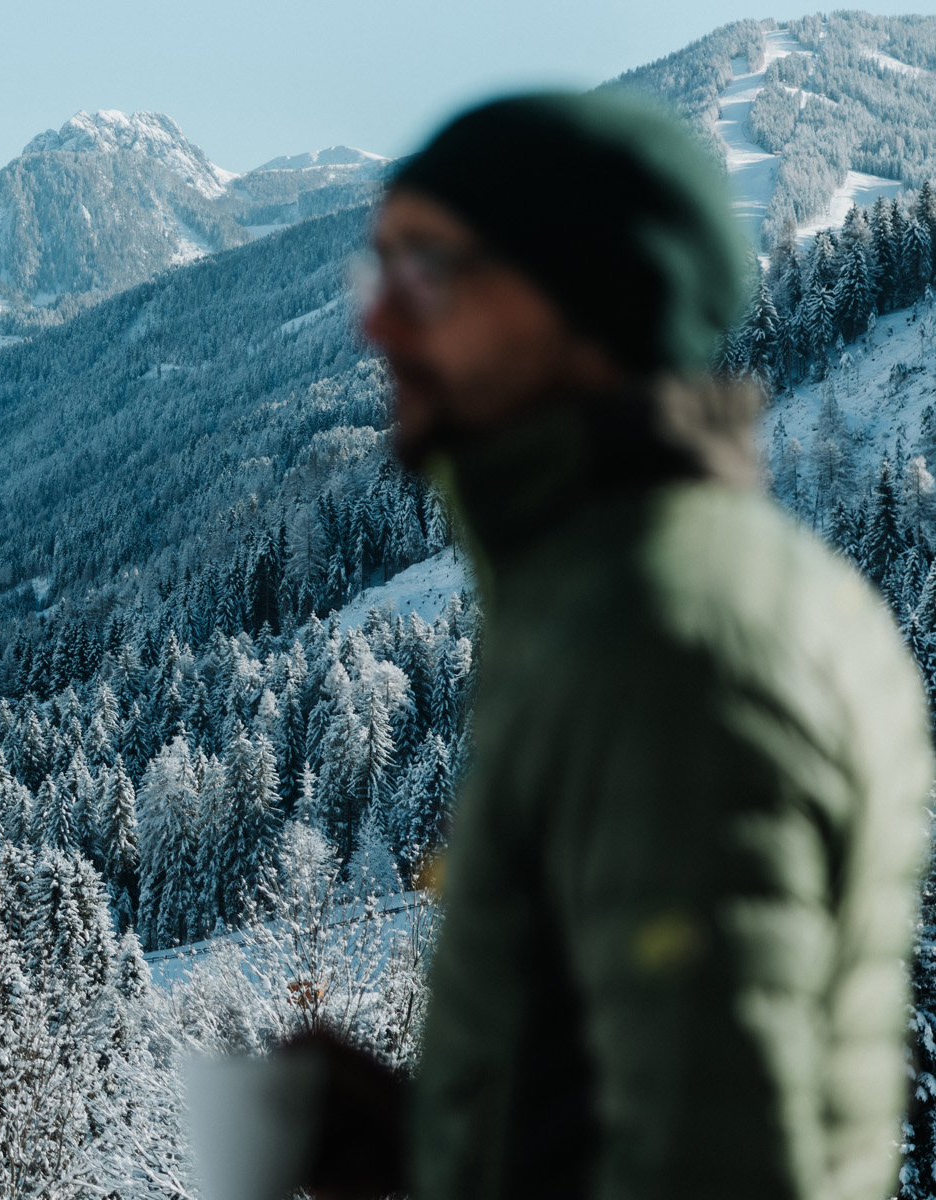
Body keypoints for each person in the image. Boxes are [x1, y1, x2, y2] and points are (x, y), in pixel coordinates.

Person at [341, 91, 932, 1200]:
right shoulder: (632, 598)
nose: (377, 322)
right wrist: (423, 1148)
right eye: (375, 273)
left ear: (576, 303)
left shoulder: (670, 644)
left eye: (425, 271)